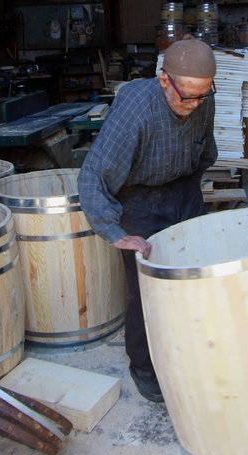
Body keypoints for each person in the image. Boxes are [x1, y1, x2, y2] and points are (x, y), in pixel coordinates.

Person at [77, 36, 218, 402]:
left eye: (203, 96)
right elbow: (93, 174)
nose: (195, 104)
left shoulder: (202, 98)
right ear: (164, 79)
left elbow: (205, 151)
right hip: (139, 199)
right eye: (187, 96)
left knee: (196, 275)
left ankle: (190, 352)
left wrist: (189, 191)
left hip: (184, 189)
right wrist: (113, 230)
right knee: (147, 290)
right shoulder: (136, 107)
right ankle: (144, 367)